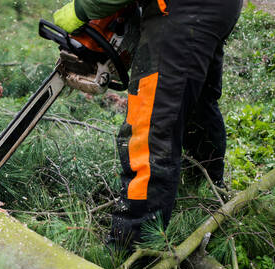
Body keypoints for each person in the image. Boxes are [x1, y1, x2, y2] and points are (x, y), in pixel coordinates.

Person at [54, 0, 242, 246]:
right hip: (215, 8)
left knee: (152, 126)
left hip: (181, 9)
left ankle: (133, 245)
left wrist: (82, 9)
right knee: (195, 106)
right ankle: (204, 193)